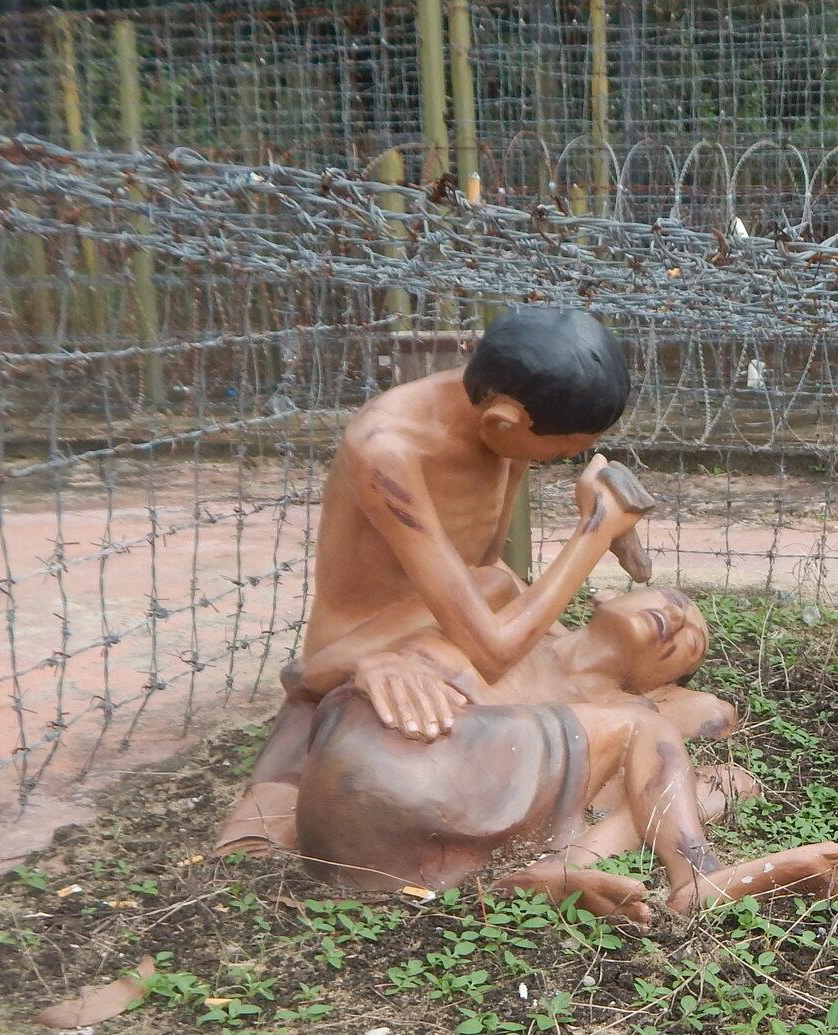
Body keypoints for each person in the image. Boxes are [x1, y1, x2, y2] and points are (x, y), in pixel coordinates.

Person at [215, 304, 648, 855]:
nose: (575, 457)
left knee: (508, 594)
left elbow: (486, 572)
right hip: (365, 639)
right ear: (504, 421)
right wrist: (592, 533)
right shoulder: (389, 448)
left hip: (460, 614)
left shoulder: (502, 423)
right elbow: (491, 650)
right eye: (564, 450)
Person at [292, 579, 838, 926]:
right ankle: (701, 881)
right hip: (363, 771)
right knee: (643, 737)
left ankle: (543, 874)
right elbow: (308, 670)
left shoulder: (620, 716)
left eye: (690, 643)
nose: (678, 620)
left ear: (662, 683)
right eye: (675, 600)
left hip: (404, 851)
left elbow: (689, 740)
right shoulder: (495, 600)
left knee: (729, 780)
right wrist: (371, 660)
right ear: (604, 594)